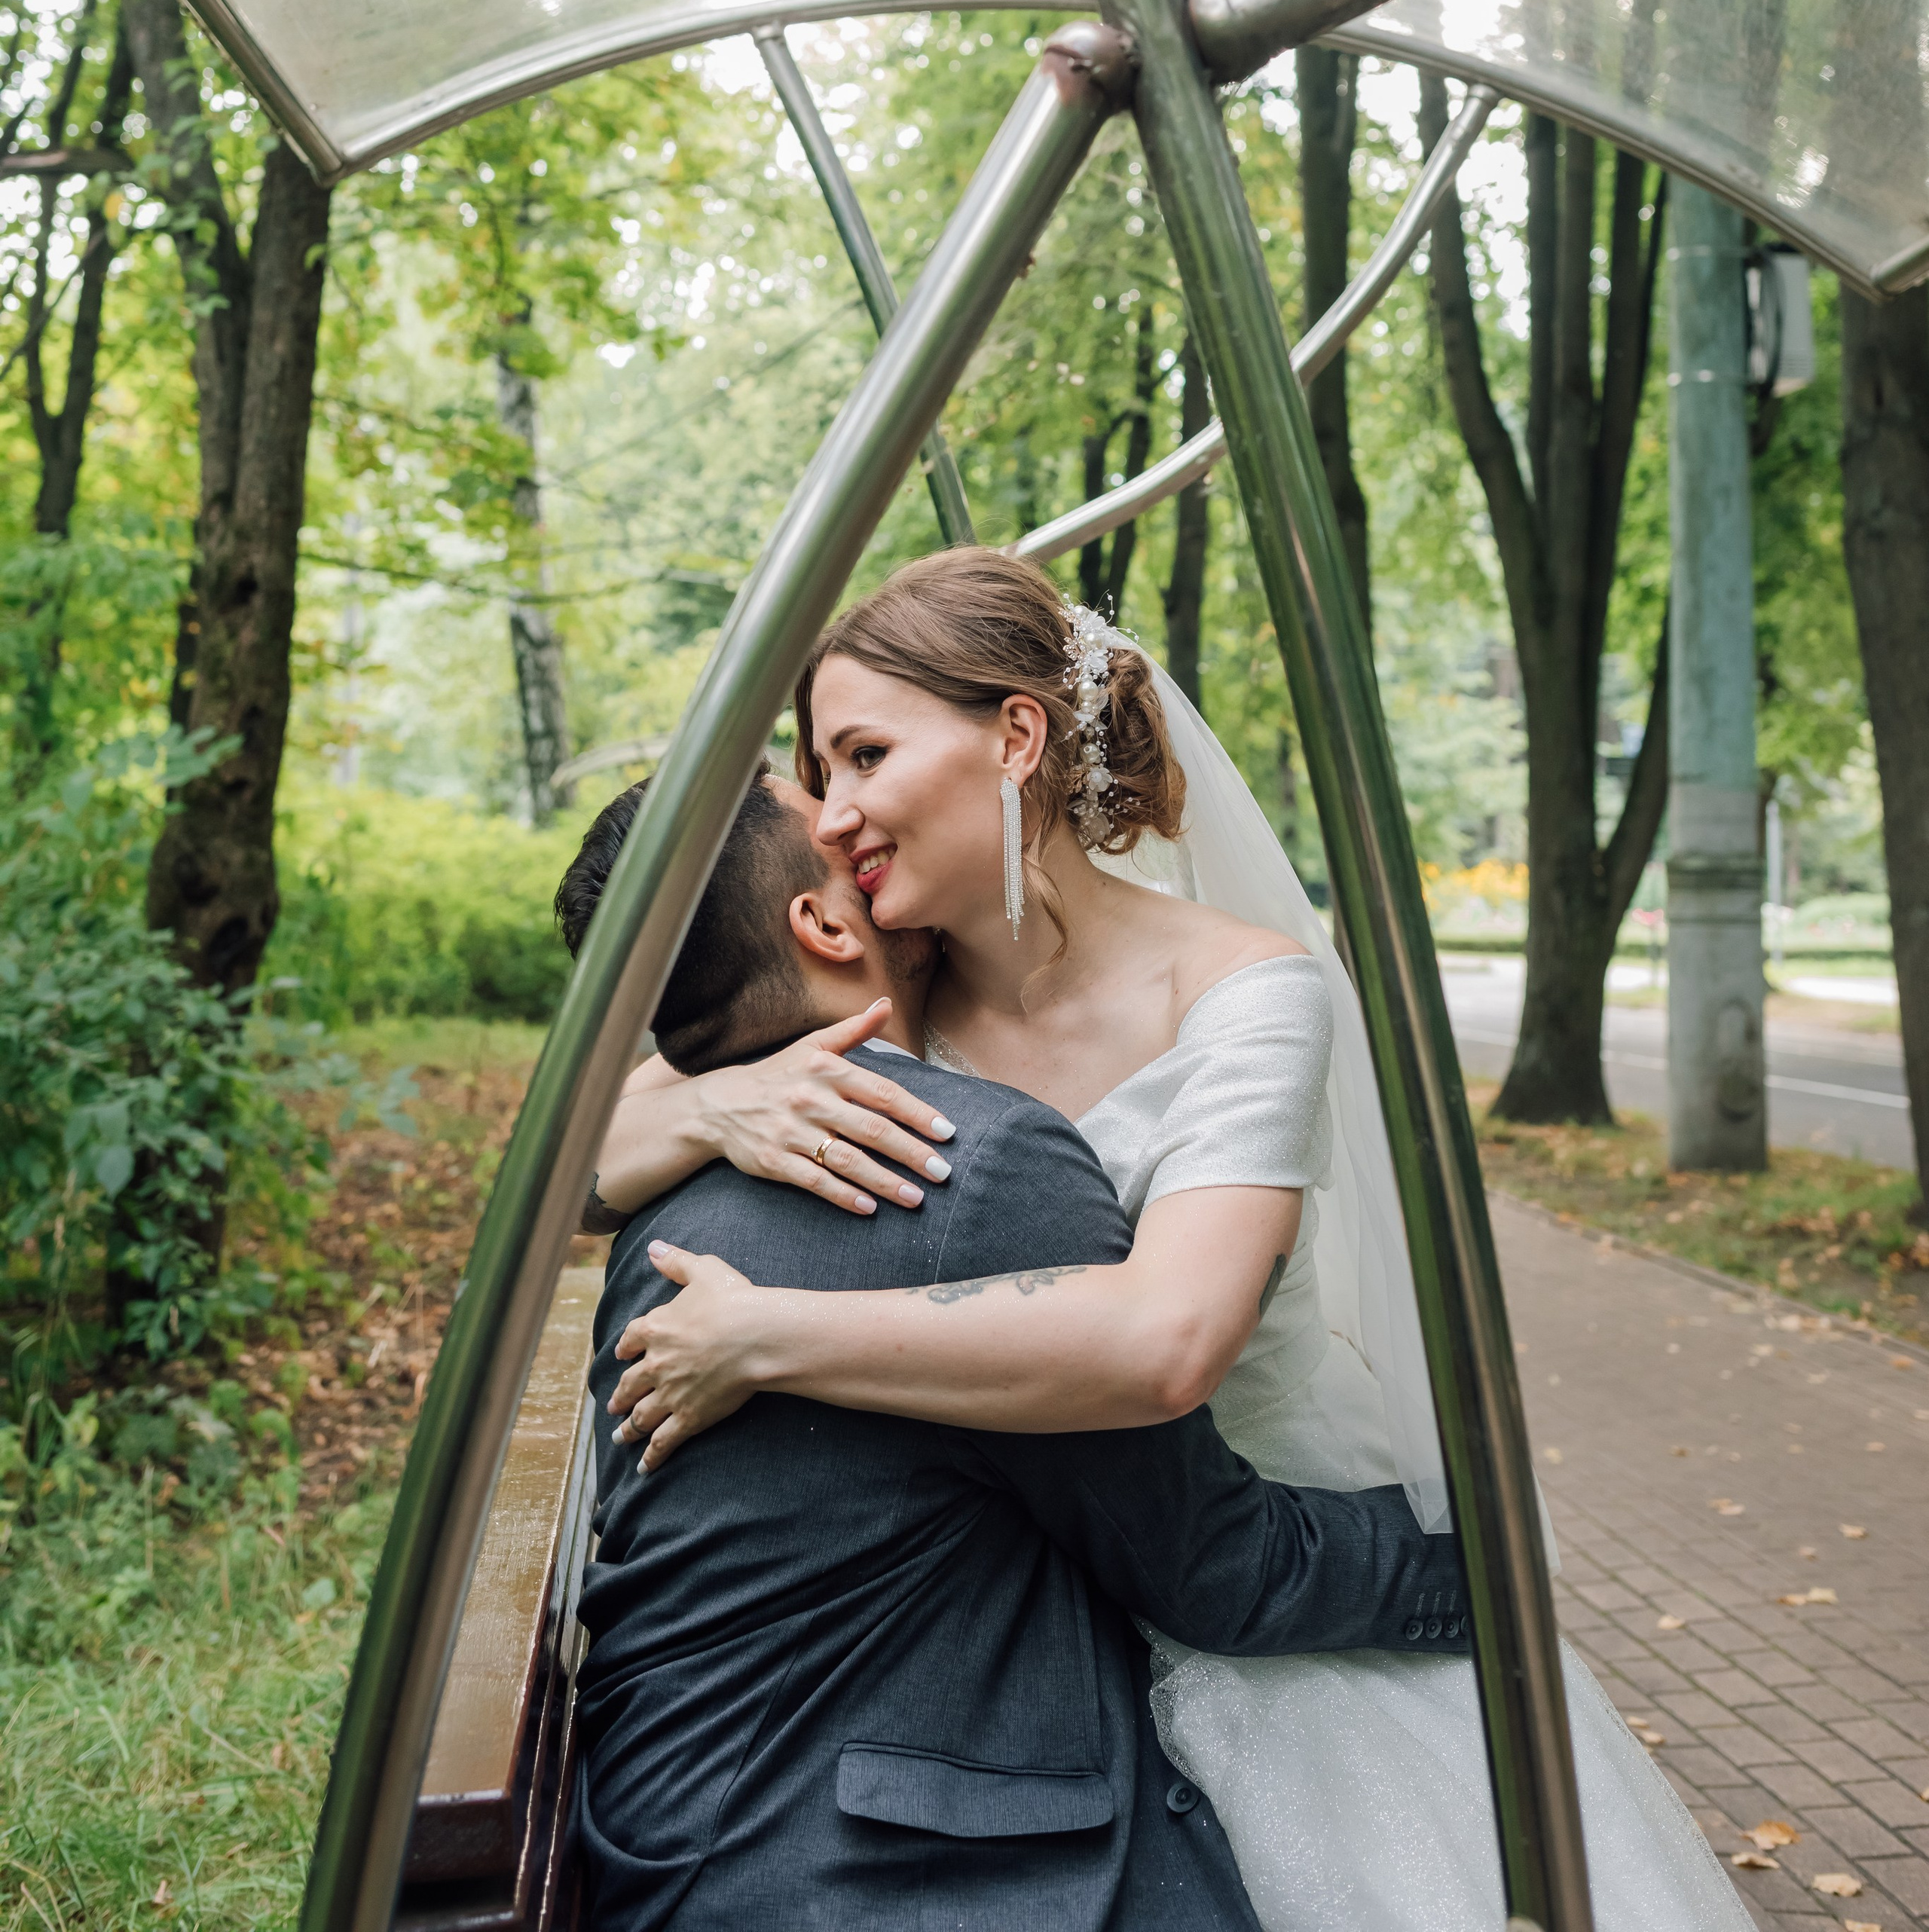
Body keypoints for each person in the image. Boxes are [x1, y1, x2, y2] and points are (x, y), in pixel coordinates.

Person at [596, 549, 1752, 1932]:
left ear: (1014, 738)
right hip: (1045, 1596)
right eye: (820, 774)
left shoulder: (1243, 992)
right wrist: (723, 1097)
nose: (835, 818)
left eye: (861, 757)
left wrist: (778, 1336)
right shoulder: (884, 995)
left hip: (1256, 1545)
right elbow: (583, 1154)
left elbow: (1172, 1339)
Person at [557, 764, 1473, 1932]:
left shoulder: (663, 1190)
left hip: (676, 1829)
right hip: (893, 1876)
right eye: (825, 808)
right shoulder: (968, 1167)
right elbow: (1212, 1567)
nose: (852, 820)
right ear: (827, 922)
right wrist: (1472, 1564)